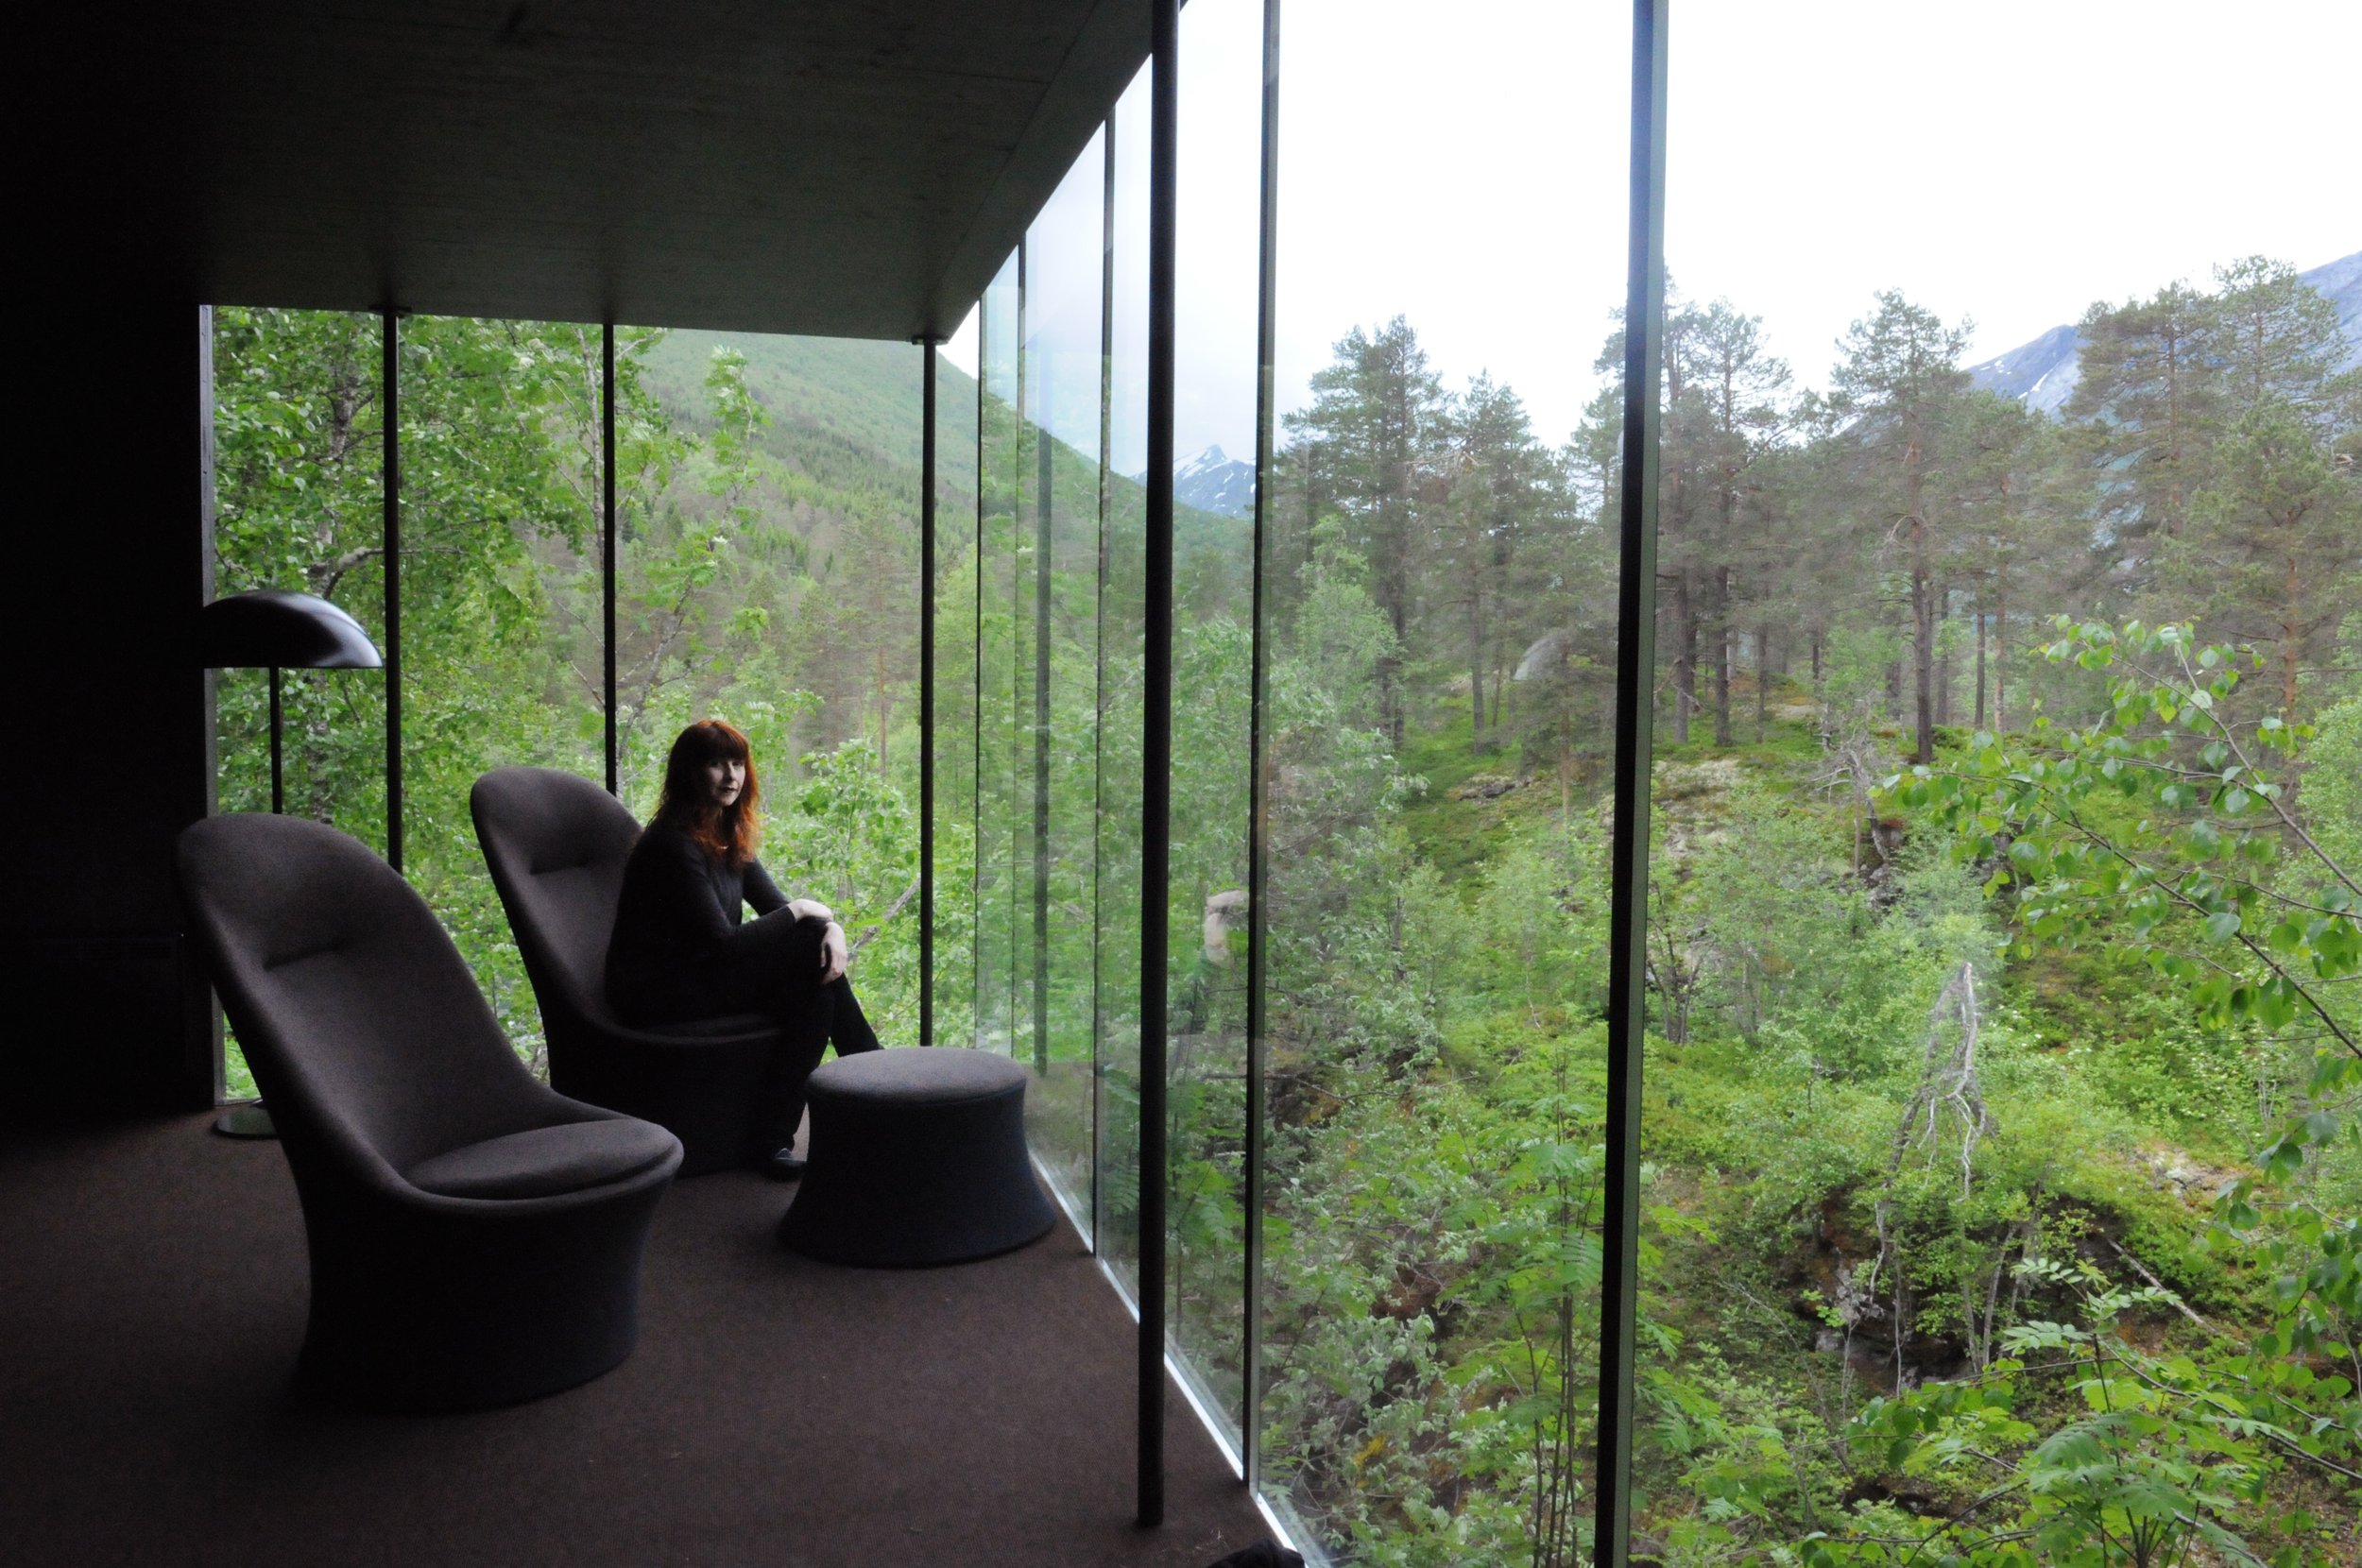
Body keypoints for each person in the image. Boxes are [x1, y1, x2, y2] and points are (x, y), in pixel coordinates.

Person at [605, 719, 881, 1178]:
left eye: (737, 763)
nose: (731, 776)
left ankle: (773, 1142)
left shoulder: (727, 835)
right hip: (657, 992)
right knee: (808, 963)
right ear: (688, 773)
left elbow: (776, 909)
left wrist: (829, 924)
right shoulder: (672, 845)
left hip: (704, 974)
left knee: (812, 993)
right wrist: (806, 915)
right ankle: (877, 1083)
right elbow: (725, 944)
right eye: (715, 764)